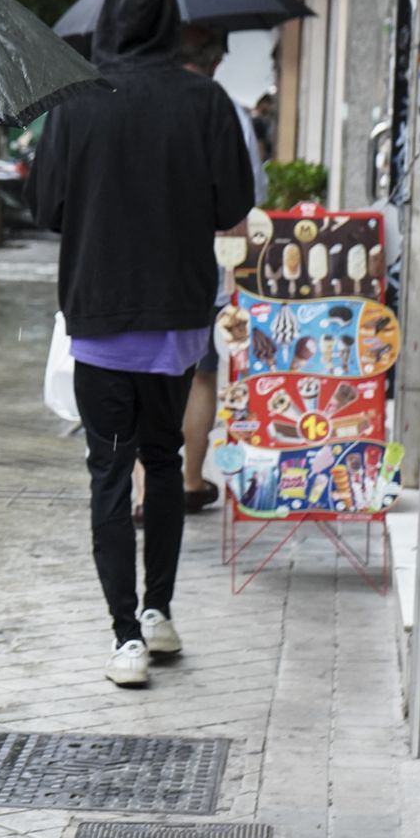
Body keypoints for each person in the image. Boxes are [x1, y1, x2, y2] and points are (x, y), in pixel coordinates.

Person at [27, 0, 256, 688]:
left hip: (99, 315)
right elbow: (234, 206)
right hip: (177, 321)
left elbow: (45, 207)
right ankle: (158, 612)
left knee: (107, 469)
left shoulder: (74, 103)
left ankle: (124, 637)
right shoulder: (206, 101)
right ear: (170, 26)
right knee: (162, 461)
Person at [176, 27, 267, 516]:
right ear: (213, 61)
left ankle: (145, 491)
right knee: (200, 376)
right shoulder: (229, 111)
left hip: (149, 266)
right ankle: (191, 480)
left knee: (150, 377)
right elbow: (253, 192)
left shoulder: (140, 101)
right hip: (211, 268)